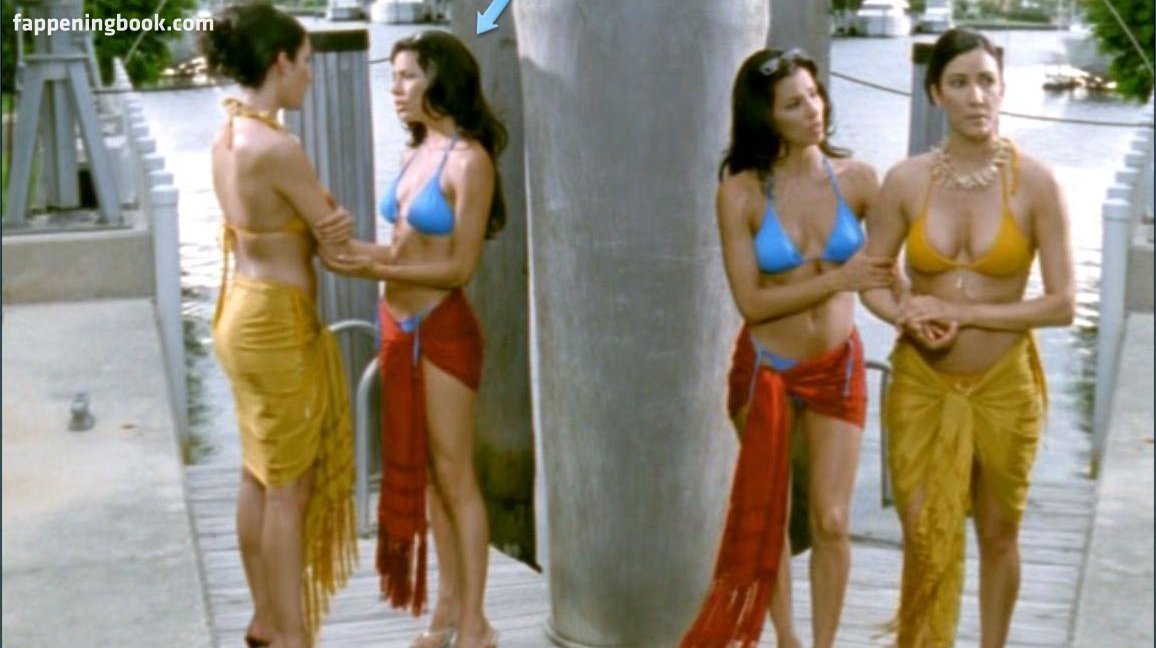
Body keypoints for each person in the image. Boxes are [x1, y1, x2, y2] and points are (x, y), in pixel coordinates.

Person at [861, 28, 1075, 647]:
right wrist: (903, 314)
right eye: (959, 83)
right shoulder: (906, 181)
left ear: (1003, 89)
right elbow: (871, 278)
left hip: (1003, 385)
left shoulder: (1037, 184)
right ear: (936, 94)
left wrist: (967, 314)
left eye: (986, 81)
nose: (976, 96)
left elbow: (1062, 304)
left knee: (999, 535)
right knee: (924, 533)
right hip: (922, 382)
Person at [680, 48, 893, 648]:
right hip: (766, 370)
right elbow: (751, 302)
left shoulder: (859, 180)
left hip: (837, 365)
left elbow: (883, 280)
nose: (813, 110)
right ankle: (787, 639)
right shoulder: (740, 193)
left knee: (831, 519)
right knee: (768, 517)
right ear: (765, 116)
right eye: (794, 104)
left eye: (815, 95)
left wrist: (913, 316)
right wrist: (838, 279)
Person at [334, 30, 505, 648]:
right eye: (394, 77)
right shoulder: (417, 152)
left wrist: (372, 270)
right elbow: (402, 250)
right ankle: (448, 608)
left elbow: (459, 268)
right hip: (395, 323)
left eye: (408, 76)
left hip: (441, 328)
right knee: (431, 474)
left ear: (441, 81)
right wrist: (347, 251)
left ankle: (477, 622)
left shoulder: (470, 160)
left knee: (456, 475)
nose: (396, 88)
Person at [200, 4, 360, 647]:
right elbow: (334, 240)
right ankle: (292, 635)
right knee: (289, 488)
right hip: (276, 322)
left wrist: (327, 221)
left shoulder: (228, 135)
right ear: (279, 61)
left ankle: (267, 617)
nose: (311, 75)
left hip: (238, 308)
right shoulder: (278, 147)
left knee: (258, 473)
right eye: (306, 62)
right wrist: (340, 224)